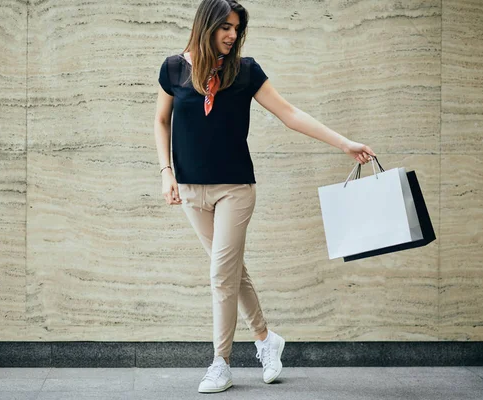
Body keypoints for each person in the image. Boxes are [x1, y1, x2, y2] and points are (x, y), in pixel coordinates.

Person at [154, 0, 376, 394]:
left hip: (235, 189)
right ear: (206, 25)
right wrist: (166, 173)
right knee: (231, 272)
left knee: (221, 275)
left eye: (236, 28)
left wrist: (344, 143)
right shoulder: (174, 68)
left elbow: (290, 113)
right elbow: (161, 120)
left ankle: (220, 363)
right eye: (225, 27)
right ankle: (265, 339)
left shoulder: (245, 71)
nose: (231, 35)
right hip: (190, 190)